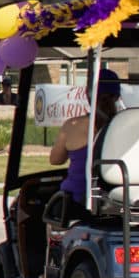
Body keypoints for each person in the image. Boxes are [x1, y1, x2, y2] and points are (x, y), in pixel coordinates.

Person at [51, 68, 122, 211]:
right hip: (116, 201)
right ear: (117, 97)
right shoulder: (126, 125)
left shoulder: (72, 125)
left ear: (88, 95)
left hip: (76, 201)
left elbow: (55, 160)